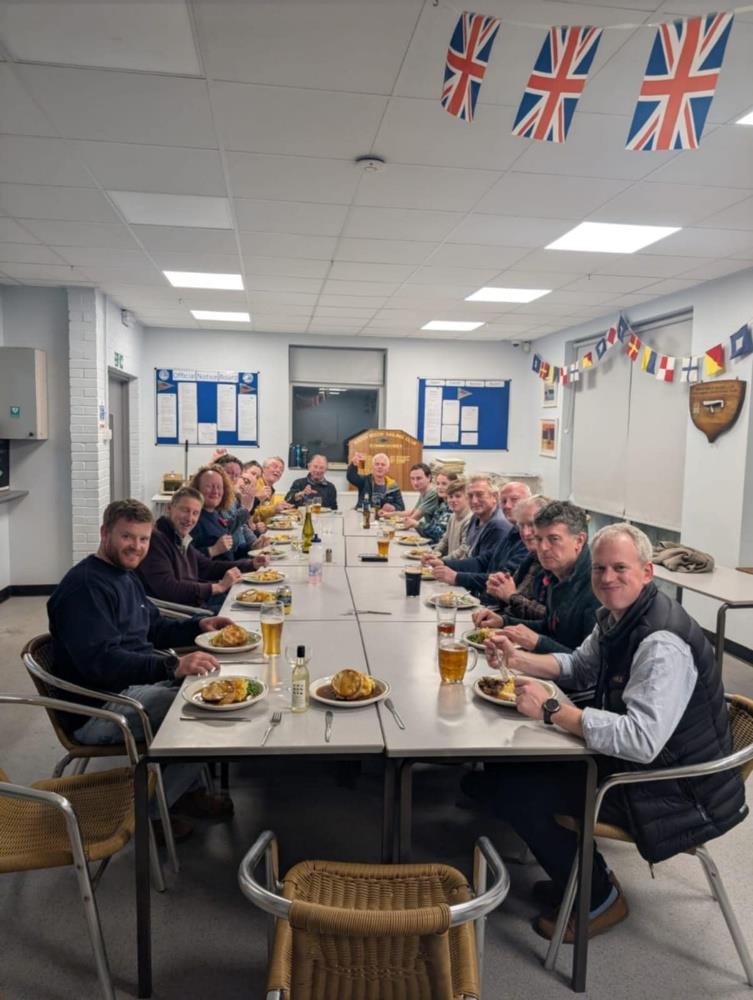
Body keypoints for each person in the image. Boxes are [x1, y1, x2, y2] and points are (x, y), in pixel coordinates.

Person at [473, 523, 747, 941]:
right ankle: (581, 875)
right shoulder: (619, 616)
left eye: (620, 567)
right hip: (653, 762)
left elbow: (640, 740)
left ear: (647, 572)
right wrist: (519, 659)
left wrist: (553, 712)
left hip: (675, 787)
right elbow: (579, 665)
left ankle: (598, 898)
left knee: (517, 790)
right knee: (505, 773)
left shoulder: (661, 642)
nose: (606, 578)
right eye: (599, 568)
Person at [47, 499, 234, 833]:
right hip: (102, 707)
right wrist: (172, 667)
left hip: (131, 689)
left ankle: (180, 792)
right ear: (105, 534)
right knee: (205, 712)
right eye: (127, 537)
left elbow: (154, 628)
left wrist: (197, 626)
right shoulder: (86, 587)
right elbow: (102, 665)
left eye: (144, 539)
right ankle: (153, 811)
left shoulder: (125, 575)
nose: (136, 546)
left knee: (215, 686)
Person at [473, 500, 599, 656]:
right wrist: (503, 621)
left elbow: (588, 665)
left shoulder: (597, 586)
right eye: (539, 539)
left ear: (579, 541)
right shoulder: (556, 572)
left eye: (554, 539)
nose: (543, 548)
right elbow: (548, 627)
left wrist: (538, 643)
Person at [137, 487, 267, 612]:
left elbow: (208, 567)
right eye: (185, 510)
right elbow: (168, 588)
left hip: (196, 603)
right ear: (170, 508)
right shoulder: (155, 540)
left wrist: (251, 564)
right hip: (182, 613)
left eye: (195, 513)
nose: (189, 518)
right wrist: (218, 587)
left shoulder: (180, 537)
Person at [425, 481, 530, 596]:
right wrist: (443, 563)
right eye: (504, 501)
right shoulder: (513, 531)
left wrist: (456, 577)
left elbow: (502, 578)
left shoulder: (523, 536)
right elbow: (483, 561)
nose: (507, 505)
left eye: (514, 499)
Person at [479, 494, 551, 619]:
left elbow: (549, 619)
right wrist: (498, 590)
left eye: (532, 524)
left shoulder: (556, 562)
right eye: (521, 526)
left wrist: (510, 596)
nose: (525, 533)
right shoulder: (532, 557)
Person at [188, 464, 260, 562]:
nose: (215, 491)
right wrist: (212, 550)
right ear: (197, 489)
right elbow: (184, 559)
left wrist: (255, 548)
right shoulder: (192, 518)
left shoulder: (215, 514)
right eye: (209, 486)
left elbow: (230, 554)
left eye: (219, 487)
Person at [431, 479, 472, 559]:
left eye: (458, 496)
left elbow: (463, 549)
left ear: (467, 498)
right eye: (450, 497)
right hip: (450, 563)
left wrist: (443, 561)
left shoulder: (470, 519)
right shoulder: (452, 517)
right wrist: (434, 554)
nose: (453, 500)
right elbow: (445, 540)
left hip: (458, 568)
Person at [414, 471, 456, 544]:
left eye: (444, 484)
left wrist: (417, 524)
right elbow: (431, 527)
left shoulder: (452, 508)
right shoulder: (442, 504)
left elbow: (439, 534)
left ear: (454, 486)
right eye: (438, 483)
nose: (440, 487)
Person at [255, 456, 293, 521]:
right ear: (263, 469)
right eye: (275, 467)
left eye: (281, 469)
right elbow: (250, 512)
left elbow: (265, 514)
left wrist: (281, 509)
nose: (278, 470)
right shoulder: (255, 484)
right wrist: (274, 508)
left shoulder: (271, 489)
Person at [401, 463, 439, 528]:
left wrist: (396, 524)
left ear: (429, 477)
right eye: (412, 479)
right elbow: (413, 512)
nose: (415, 482)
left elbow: (414, 518)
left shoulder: (432, 493)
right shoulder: (423, 491)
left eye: (419, 478)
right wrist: (389, 514)